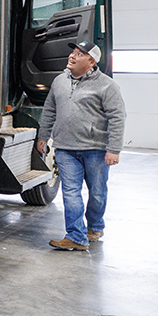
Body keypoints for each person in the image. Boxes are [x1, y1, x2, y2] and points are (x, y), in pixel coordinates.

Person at [34, 42, 126, 251]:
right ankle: (76, 235)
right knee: (70, 192)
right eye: (73, 52)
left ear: (91, 62)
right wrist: (43, 136)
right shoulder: (59, 81)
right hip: (66, 148)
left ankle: (94, 226)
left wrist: (114, 149)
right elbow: (49, 110)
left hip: (95, 149)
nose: (72, 56)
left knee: (97, 192)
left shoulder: (107, 85)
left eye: (79, 54)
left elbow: (117, 118)